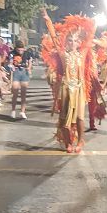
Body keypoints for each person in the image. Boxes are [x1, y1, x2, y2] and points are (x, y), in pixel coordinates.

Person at [41, 10, 93, 153]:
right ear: (67, 42)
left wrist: (89, 25)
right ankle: (68, 142)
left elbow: (90, 37)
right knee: (63, 118)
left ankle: (81, 140)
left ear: (79, 42)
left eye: (76, 40)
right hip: (65, 88)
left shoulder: (82, 54)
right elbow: (53, 37)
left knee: (80, 118)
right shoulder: (63, 54)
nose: (73, 43)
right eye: (70, 40)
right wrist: (48, 20)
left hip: (79, 89)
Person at [8, 43, 33, 119]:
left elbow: (30, 62)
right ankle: (13, 111)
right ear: (16, 49)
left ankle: (22, 111)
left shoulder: (27, 53)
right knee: (15, 92)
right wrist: (11, 66)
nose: (20, 51)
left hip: (24, 72)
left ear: (24, 48)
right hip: (16, 72)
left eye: (21, 49)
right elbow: (10, 63)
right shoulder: (12, 53)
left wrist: (29, 68)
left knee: (23, 94)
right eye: (18, 50)